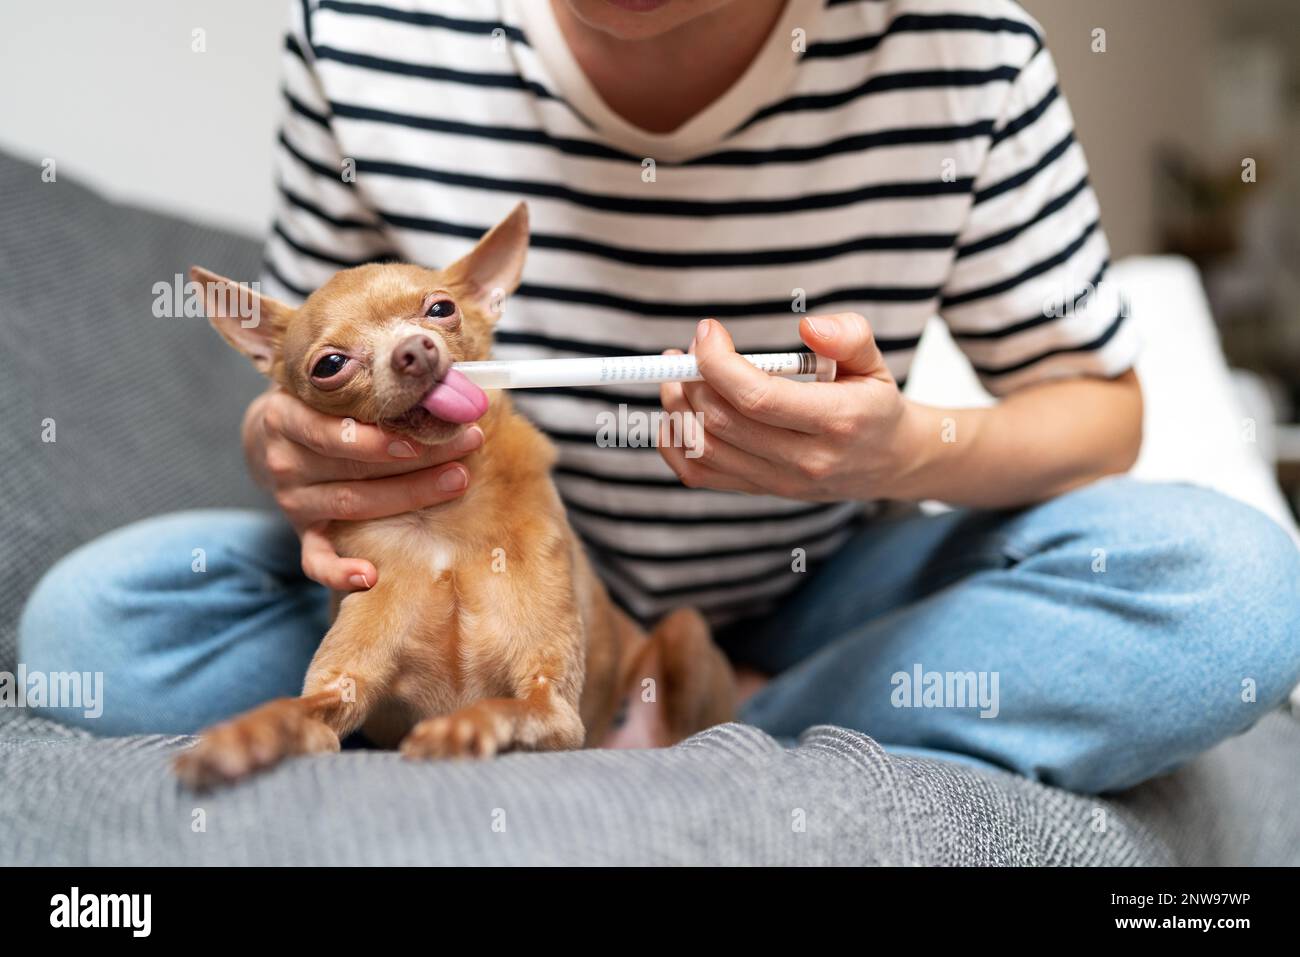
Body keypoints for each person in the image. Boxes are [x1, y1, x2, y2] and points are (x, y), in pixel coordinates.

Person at [19, 0, 1300, 793]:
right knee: (95, 628)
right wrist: (286, 448)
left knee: (1231, 589)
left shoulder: (965, 53)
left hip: (818, 600)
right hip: (446, 569)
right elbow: (310, 364)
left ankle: (727, 703)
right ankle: (645, 719)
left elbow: (1099, 411)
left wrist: (901, 449)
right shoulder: (361, 29)